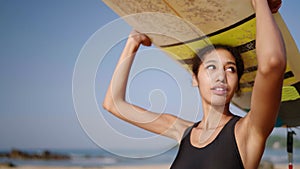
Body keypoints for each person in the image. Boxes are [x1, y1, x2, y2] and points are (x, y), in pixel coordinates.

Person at [103, 0, 286, 168]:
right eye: (211, 67)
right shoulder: (183, 131)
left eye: (230, 69)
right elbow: (114, 104)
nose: (220, 76)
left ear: (237, 83)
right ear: (195, 78)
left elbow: (272, 63)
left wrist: (260, 3)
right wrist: (132, 43)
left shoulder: (248, 131)